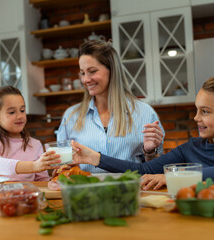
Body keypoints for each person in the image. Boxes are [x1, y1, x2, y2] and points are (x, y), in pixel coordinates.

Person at [71, 75, 214, 189]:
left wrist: (176, 177)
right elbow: (145, 171)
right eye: (197, 110)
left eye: (205, 112)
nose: (196, 118)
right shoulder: (190, 148)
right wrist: (95, 158)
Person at [57, 40, 165, 173]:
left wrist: (150, 152)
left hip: (130, 190)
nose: (85, 79)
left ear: (112, 70)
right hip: (85, 192)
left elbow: (154, 170)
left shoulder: (144, 113)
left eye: (92, 71)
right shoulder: (71, 116)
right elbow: (63, 165)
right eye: (83, 73)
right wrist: (63, 167)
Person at [0, 86, 61, 181]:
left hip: (27, 195)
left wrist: (54, 179)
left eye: (22, 110)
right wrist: (34, 166)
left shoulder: (35, 144)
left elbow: (41, 180)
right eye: (12, 112)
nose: (20, 116)